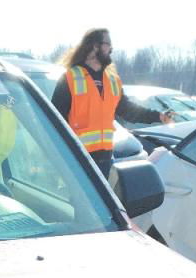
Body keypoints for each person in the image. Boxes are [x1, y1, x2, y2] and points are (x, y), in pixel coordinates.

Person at [51, 28, 174, 177]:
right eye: (108, 44)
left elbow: (128, 110)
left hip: (106, 159)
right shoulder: (70, 78)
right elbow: (55, 122)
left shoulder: (112, 80)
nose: (111, 49)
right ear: (95, 46)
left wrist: (158, 117)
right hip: (78, 160)